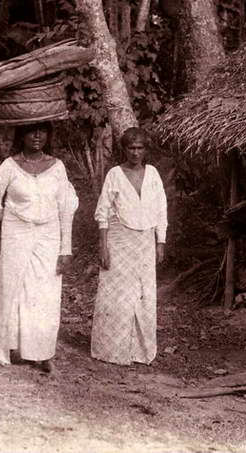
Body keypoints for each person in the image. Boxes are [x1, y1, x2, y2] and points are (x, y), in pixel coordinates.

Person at [0, 122, 78, 374]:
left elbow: (66, 209)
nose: (37, 136)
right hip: (17, 232)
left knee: (45, 292)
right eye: (31, 130)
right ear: (21, 134)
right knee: (11, 287)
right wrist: (16, 220)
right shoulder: (9, 166)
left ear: (49, 134)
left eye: (43, 131)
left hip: (49, 234)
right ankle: (4, 350)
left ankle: (43, 354)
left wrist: (65, 248)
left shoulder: (57, 168)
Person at [91, 127, 168, 366]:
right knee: (117, 294)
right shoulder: (115, 174)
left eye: (140, 148)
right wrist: (103, 246)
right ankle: (112, 350)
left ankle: (140, 351)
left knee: (144, 293)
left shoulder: (153, 174)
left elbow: (160, 209)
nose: (135, 153)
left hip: (145, 240)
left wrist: (160, 241)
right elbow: (103, 211)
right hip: (119, 238)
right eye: (131, 148)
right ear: (123, 149)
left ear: (146, 150)